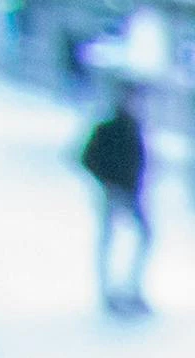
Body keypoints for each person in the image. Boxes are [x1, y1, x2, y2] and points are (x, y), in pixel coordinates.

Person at [76, 82, 150, 317]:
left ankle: (129, 288)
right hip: (113, 193)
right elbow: (86, 158)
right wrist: (107, 183)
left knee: (141, 237)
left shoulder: (134, 128)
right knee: (111, 239)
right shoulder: (109, 128)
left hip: (130, 193)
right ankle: (110, 291)